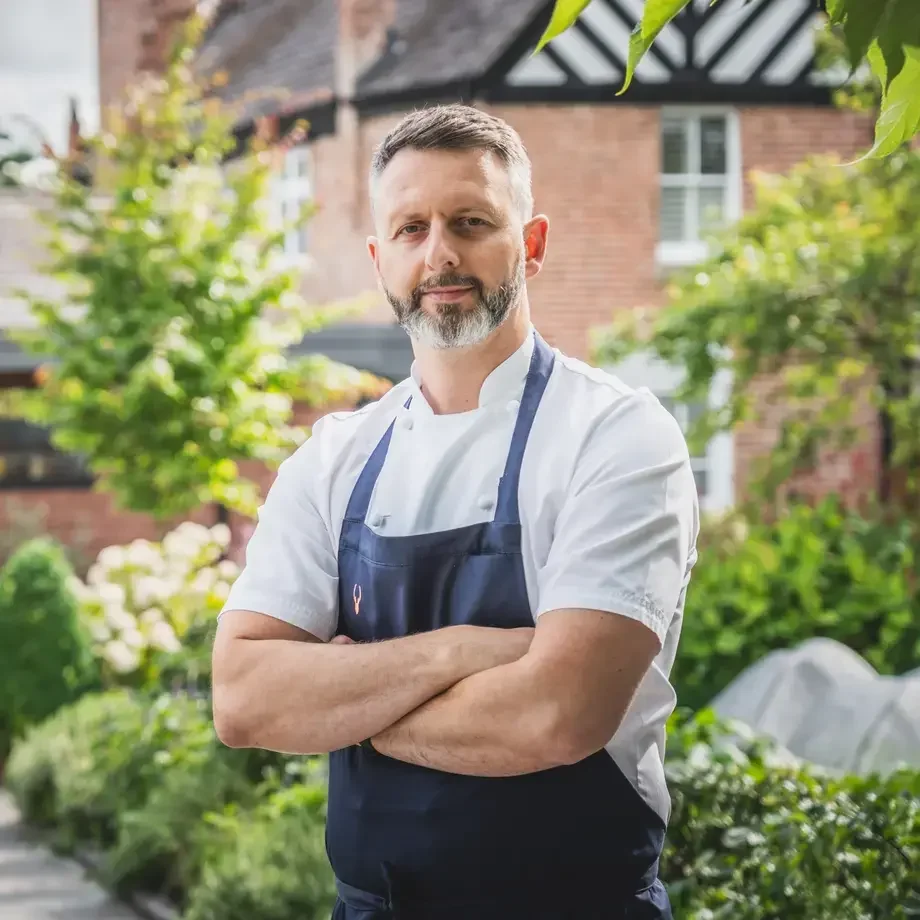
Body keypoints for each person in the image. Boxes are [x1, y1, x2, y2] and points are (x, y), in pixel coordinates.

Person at [212, 103, 699, 920]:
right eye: (410, 228)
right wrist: (462, 653)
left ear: (531, 245)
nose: (439, 252)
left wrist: (343, 706)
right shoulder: (333, 458)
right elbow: (244, 698)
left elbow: (554, 714)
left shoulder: (616, 437)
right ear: (379, 259)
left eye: (471, 221)